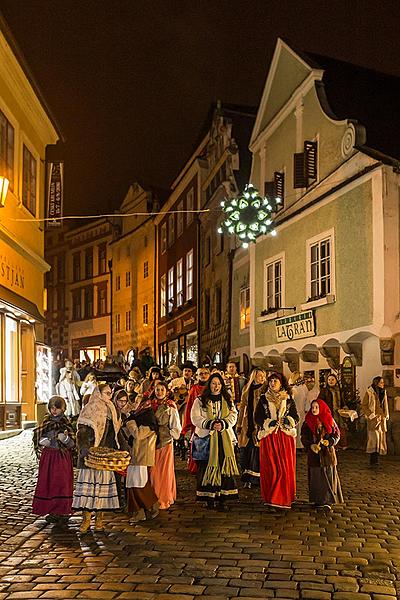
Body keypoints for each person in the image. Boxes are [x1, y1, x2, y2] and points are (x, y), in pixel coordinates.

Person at [72, 384, 122, 533]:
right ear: (98, 393)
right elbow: (82, 431)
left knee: (103, 491)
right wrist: (85, 448)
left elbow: (115, 433)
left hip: (105, 457)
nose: (109, 395)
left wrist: (121, 449)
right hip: (89, 457)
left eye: (110, 393)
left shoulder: (112, 409)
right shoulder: (90, 408)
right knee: (88, 491)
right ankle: (86, 520)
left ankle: (99, 520)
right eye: (106, 393)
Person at [191, 373, 239, 510]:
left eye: (219, 384)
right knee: (206, 467)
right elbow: (195, 417)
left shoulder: (227, 399)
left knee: (224, 466)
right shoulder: (200, 400)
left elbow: (233, 414)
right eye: (213, 383)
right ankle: (209, 498)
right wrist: (209, 424)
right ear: (209, 384)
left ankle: (223, 498)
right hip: (207, 437)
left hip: (224, 438)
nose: (216, 386)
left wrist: (223, 423)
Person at [255, 372, 299, 510]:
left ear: (281, 383)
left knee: (284, 468)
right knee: (271, 467)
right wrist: (268, 423)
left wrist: (289, 421)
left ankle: (284, 497)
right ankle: (271, 497)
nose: (273, 383)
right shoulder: (263, 399)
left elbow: (295, 417)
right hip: (269, 437)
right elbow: (258, 417)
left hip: (285, 437)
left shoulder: (289, 399)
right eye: (271, 381)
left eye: (275, 381)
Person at [32, 396, 75, 524]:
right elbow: (38, 435)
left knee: (62, 482)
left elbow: (73, 443)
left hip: (62, 457)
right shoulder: (46, 422)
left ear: (63, 408)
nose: (54, 410)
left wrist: (66, 440)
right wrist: (41, 442)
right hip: (49, 457)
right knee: (49, 482)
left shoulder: (66, 423)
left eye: (57, 408)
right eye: (52, 408)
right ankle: (51, 510)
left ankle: (62, 510)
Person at [301, 399, 343, 511]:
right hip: (314, 455)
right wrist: (310, 445)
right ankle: (318, 500)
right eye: (312, 407)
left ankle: (328, 500)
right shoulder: (307, 421)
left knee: (328, 476)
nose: (314, 409)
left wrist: (329, 442)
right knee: (316, 477)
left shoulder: (329, 420)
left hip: (327, 454)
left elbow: (336, 434)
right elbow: (304, 436)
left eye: (316, 407)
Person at [123, 393, 159, 523]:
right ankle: (140, 510)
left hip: (141, 456)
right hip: (135, 456)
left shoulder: (148, 418)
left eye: (137, 401)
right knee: (132, 484)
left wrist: (130, 422)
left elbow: (138, 434)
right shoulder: (137, 416)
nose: (134, 404)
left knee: (139, 484)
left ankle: (148, 507)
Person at [149, 381, 181, 509]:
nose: (159, 392)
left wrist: (170, 434)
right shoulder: (149, 404)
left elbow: (175, 425)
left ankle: (163, 497)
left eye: (162, 390)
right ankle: (153, 496)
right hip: (151, 441)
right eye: (157, 390)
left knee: (164, 471)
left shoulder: (170, 406)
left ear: (166, 391)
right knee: (153, 471)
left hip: (165, 442)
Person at [237, 368, 266, 488]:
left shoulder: (264, 390)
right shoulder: (246, 389)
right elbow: (243, 407)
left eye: (263, 376)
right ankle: (247, 476)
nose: (262, 378)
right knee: (246, 452)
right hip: (247, 424)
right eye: (260, 376)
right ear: (254, 376)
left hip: (258, 424)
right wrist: (239, 424)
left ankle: (255, 478)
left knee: (256, 451)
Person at [362, 376, 389, 466]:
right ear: (376, 383)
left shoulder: (383, 392)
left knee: (380, 438)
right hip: (373, 419)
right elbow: (364, 405)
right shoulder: (370, 392)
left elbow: (385, 404)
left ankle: (376, 458)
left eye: (383, 382)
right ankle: (373, 458)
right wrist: (370, 415)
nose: (383, 384)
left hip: (381, 418)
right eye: (381, 382)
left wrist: (386, 414)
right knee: (374, 438)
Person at [319, 373, 348, 449]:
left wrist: (344, 406)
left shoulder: (339, 390)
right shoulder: (324, 391)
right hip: (329, 413)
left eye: (332, 379)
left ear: (336, 380)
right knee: (332, 429)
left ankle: (342, 444)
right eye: (329, 380)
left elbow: (342, 400)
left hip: (339, 412)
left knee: (341, 428)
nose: (331, 381)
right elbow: (320, 401)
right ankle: (334, 445)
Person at [288, 372, 308, 451]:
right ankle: (297, 445)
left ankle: (300, 445)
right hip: (296, 410)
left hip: (301, 410)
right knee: (296, 428)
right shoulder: (293, 389)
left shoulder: (302, 387)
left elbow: (306, 399)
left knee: (300, 429)